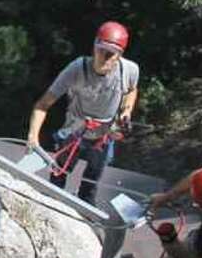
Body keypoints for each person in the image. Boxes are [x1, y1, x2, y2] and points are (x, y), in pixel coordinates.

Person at [24, 21, 141, 205]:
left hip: (104, 133)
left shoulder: (129, 70)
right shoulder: (77, 69)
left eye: (111, 54)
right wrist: (33, 136)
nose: (105, 58)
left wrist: (126, 112)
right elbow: (43, 104)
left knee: (91, 180)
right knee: (59, 173)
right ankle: (53, 202)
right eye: (101, 51)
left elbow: (132, 90)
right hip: (75, 129)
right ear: (94, 48)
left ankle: (85, 206)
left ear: (120, 55)